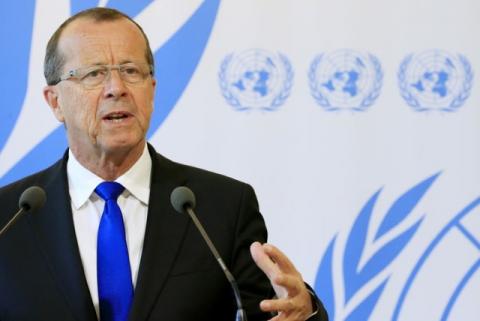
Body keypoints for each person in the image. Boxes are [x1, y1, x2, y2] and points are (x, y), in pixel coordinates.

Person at [0, 7, 328, 321]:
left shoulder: (222, 208)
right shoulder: (9, 218)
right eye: (94, 74)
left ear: (152, 90)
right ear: (55, 101)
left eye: (131, 71)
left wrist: (306, 310)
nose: (117, 89)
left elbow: (272, 311)